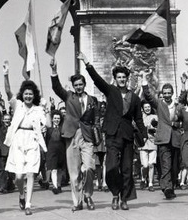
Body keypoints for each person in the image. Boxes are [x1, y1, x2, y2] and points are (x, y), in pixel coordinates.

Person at [78, 52, 147, 210]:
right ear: (115, 79)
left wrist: (143, 135)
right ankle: (115, 193)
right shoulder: (110, 91)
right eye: (119, 77)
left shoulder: (135, 98)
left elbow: (138, 119)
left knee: (127, 169)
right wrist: (87, 62)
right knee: (111, 167)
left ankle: (124, 199)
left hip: (128, 136)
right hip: (112, 134)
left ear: (127, 79)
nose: (122, 79)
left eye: (124, 77)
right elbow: (97, 79)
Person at [50, 58, 98, 211]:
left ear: (84, 85)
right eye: (75, 85)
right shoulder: (68, 96)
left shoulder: (92, 100)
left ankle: (88, 194)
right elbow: (57, 88)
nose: (78, 87)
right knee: (74, 172)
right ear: (73, 86)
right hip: (71, 136)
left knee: (89, 168)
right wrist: (54, 71)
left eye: (80, 84)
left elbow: (96, 119)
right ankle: (77, 202)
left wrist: (97, 133)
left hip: (87, 136)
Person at [4, 80, 47, 216]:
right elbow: (8, 91)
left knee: (30, 173)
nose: (28, 96)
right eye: (26, 94)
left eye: (31, 94)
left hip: (32, 140)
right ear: (22, 95)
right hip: (18, 140)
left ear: (34, 96)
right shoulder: (17, 105)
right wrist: (6, 75)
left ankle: (28, 204)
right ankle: (21, 194)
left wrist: (46, 109)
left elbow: (48, 124)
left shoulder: (38, 109)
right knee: (18, 176)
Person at [142, 73, 180, 200]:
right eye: (165, 93)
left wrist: (177, 122)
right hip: (163, 138)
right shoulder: (159, 104)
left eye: (169, 93)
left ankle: (171, 185)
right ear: (162, 94)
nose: (167, 95)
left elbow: (182, 119)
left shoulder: (177, 105)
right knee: (166, 164)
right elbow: (148, 95)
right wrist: (144, 79)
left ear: (172, 93)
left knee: (175, 166)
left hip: (175, 138)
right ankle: (167, 188)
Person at [45, 110, 66, 194]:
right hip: (52, 151)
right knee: (53, 169)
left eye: (58, 118)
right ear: (52, 119)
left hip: (61, 150)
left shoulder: (62, 129)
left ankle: (59, 184)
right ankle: (55, 186)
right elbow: (46, 140)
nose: (57, 120)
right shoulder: (49, 129)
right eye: (55, 118)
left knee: (60, 169)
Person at [139, 101, 157, 192]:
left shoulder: (155, 117)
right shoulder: (140, 118)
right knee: (145, 165)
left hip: (153, 142)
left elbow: (158, 128)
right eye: (145, 107)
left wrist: (153, 129)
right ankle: (143, 178)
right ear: (142, 108)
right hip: (143, 143)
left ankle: (150, 183)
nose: (147, 109)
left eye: (149, 107)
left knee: (151, 164)